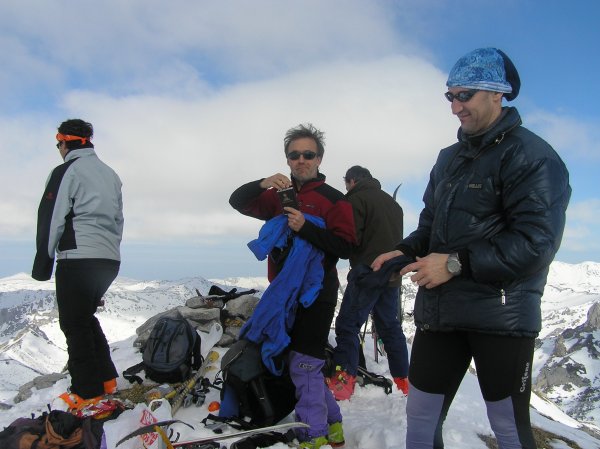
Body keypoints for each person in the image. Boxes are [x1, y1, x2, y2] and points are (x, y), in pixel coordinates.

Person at [372, 48, 571, 449]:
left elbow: (536, 243)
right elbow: (431, 225)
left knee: (508, 428)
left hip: (501, 315)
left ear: (498, 93)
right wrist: (405, 250)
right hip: (441, 312)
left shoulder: (532, 156)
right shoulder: (449, 159)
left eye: (465, 95)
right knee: (421, 419)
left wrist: (454, 263)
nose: (455, 107)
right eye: (450, 96)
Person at [229, 123, 356, 449]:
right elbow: (237, 201)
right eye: (294, 155)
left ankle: (312, 435)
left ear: (319, 158)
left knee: (303, 364)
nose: (301, 160)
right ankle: (333, 426)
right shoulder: (277, 196)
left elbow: (347, 247)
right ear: (287, 159)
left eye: (308, 154)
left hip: (317, 293)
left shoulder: (334, 200)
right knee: (305, 364)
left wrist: (305, 228)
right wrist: (262, 183)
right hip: (285, 295)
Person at [32, 119, 124, 409]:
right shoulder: (110, 174)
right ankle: (106, 380)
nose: (58, 149)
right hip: (108, 259)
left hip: (78, 257)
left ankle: (86, 392)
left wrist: (42, 263)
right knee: (85, 318)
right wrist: (109, 250)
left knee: (73, 324)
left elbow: (51, 216)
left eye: (57, 144)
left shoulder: (66, 171)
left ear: (65, 142)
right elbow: (118, 219)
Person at [326, 165, 409, 400]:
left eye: (346, 183)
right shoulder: (393, 204)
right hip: (392, 274)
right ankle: (404, 380)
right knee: (390, 327)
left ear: (352, 181)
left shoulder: (356, 200)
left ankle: (343, 383)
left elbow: (352, 237)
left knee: (347, 325)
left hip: (368, 272)